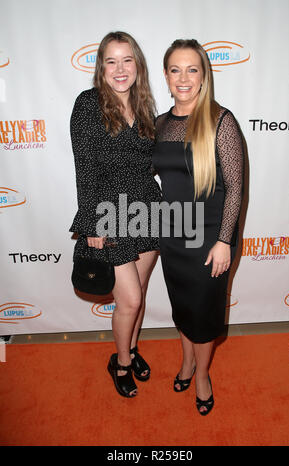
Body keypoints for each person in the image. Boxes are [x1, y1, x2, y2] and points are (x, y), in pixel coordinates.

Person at [152, 39, 244, 415]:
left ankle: (202, 374)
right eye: (176, 69)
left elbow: (236, 185)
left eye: (192, 69)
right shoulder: (158, 124)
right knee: (183, 308)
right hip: (173, 236)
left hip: (210, 239)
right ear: (166, 75)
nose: (184, 77)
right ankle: (187, 361)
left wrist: (224, 241)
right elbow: (147, 179)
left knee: (203, 314)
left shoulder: (221, 120)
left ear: (204, 76)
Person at [69, 32, 161, 398]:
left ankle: (132, 348)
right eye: (112, 61)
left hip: (148, 207)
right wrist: (92, 222)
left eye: (127, 60)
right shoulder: (88, 104)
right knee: (131, 301)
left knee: (141, 291)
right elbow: (84, 167)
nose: (120, 69)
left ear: (137, 64)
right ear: (101, 67)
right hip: (109, 210)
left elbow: (151, 160)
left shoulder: (144, 105)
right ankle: (120, 362)